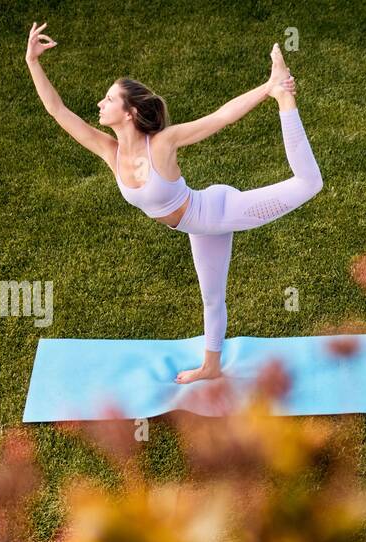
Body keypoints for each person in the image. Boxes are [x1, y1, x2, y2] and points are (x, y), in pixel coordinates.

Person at [24, 22, 323, 383]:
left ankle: (284, 97)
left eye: (109, 99)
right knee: (212, 299)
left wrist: (269, 89)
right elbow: (59, 112)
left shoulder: (162, 145)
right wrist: (33, 63)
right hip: (197, 226)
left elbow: (221, 117)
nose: (100, 104)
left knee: (308, 183)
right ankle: (211, 367)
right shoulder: (110, 151)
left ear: (130, 112)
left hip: (221, 212)